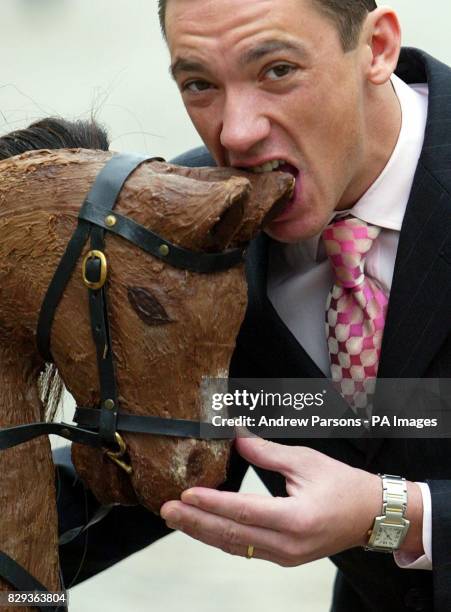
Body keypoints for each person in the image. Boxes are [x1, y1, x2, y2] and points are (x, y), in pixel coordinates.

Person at [55, 1, 451, 610]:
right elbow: (150, 462)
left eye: (277, 70)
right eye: (199, 84)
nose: (236, 134)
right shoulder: (189, 232)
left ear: (376, 48)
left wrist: (396, 514)